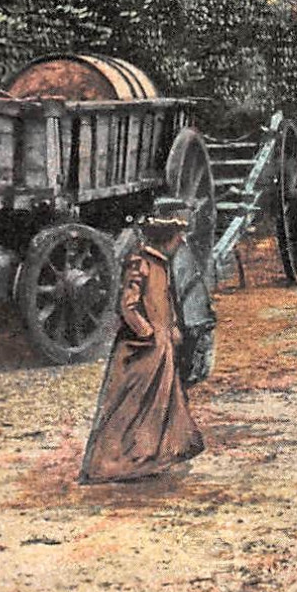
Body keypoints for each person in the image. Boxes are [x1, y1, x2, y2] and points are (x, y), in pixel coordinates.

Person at [79, 198, 205, 485]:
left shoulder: (162, 264)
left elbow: (166, 301)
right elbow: (127, 305)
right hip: (143, 350)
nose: (181, 242)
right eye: (178, 236)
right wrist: (147, 332)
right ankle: (112, 464)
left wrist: (171, 326)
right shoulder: (140, 262)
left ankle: (154, 457)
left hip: (161, 349)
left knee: (161, 404)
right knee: (131, 405)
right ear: (167, 237)